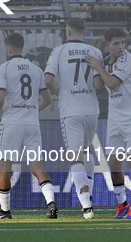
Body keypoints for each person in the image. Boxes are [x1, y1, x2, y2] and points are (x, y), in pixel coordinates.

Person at [0, 33, 57, 220]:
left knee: (4, 167)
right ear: (22, 48)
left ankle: (5, 211)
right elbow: (48, 100)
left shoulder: (3, 68)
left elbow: (0, 97)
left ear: (8, 49)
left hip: (11, 123)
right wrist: (32, 110)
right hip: (32, 123)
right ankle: (51, 203)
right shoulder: (36, 69)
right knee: (37, 166)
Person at [86, 28, 131, 219]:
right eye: (116, 43)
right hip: (115, 118)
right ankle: (122, 204)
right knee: (113, 163)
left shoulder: (127, 59)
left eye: (122, 42)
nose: (121, 46)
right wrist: (97, 70)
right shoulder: (105, 62)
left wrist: (98, 67)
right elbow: (102, 88)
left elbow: (112, 84)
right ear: (108, 46)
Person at [44, 18, 103, 219]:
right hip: (92, 110)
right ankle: (90, 197)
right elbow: (98, 84)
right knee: (87, 151)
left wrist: (57, 91)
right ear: (84, 32)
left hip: (71, 110)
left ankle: (86, 206)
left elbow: (47, 79)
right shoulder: (95, 52)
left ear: (67, 32)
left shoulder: (59, 51)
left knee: (75, 157)